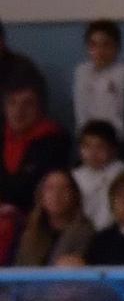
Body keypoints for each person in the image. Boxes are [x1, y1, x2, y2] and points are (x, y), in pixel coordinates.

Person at [0, 80, 69, 212]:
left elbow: (37, 192)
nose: (18, 111)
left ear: (41, 108)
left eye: (27, 103)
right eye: (12, 103)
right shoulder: (3, 137)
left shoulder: (54, 141)